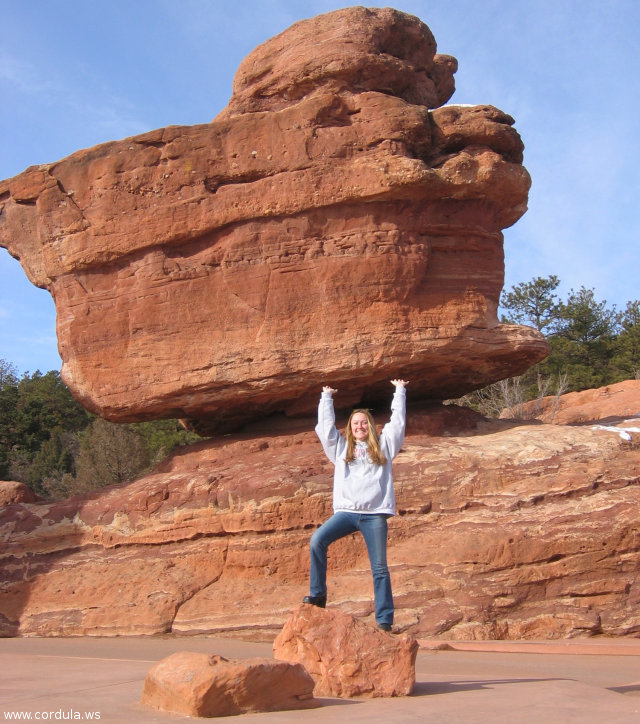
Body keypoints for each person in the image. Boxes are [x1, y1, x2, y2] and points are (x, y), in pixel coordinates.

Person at [303, 379, 408, 631]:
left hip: (374, 515)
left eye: (363, 422)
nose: (360, 426)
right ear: (350, 428)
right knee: (317, 540)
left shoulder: (383, 446)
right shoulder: (340, 448)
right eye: (355, 423)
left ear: (370, 426)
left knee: (380, 568)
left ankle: (384, 620)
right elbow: (325, 428)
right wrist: (326, 397)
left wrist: (400, 392)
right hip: (347, 513)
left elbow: (398, 424)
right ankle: (318, 595)